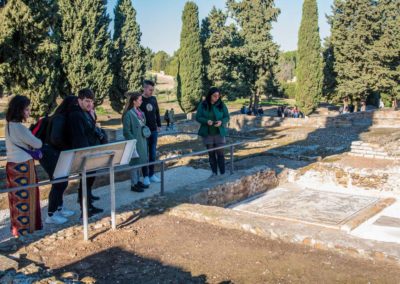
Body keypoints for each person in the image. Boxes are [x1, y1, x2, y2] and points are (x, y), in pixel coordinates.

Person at [5, 95, 43, 237]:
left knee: (15, 199)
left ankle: (16, 229)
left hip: (11, 165)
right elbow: (37, 144)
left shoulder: (8, 125)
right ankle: (26, 229)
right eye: (26, 109)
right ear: (19, 110)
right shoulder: (20, 128)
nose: (28, 112)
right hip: (23, 167)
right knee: (28, 197)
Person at [40, 96, 77, 224]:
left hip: (55, 154)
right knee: (58, 183)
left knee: (63, 182)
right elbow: (56, 138)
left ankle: (59, 208)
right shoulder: (59, 118)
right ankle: (51, 214)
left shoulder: (61, 117)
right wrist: (67, 148)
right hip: (51, 155)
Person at [67, 88, 103, 217]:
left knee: (88, 182)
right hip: (85, 155)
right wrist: (85, 155)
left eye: (91, 102)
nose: (90, 104)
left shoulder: (85, 113)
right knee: (85, 183)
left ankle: (88, 206)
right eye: (87, 101)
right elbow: (79, 138)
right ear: (79, 101)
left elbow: (91, 131)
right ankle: (85, 211)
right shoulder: (76, 115)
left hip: (90, 152)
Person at [196, 87, 230, 177]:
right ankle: (214, 173)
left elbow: (227, 117)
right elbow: (198, 117)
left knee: (221, 154)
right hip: (208, 134)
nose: (217, 98)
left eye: (218, 96)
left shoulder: (221, 104)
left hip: (219, 133)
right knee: (211, 155)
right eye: (215, 96)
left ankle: (223, 173)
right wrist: (206, 121)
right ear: (210, 95)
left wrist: (221, 122)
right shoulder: (203, 104)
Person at [122, 92, 150, 192]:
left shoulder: (139, 111)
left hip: (142, 141)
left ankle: (138, 181)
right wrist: (133, 141)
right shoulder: (128, 114)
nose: (141, 101)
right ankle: (133, 184)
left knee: (140, 162)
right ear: (134, 101)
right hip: (134, 143)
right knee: (134, 163)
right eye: (140, 100)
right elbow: (126, 131)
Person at [139, 80, 161, 185]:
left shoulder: (153, 99)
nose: (152, 91)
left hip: (154, 131)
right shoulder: (139, 99)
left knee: (152, 154)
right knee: (144, 155)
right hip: (144, 132)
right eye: (150, 89)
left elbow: (157, 112)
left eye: (153, 89)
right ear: (144, 88)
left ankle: (152, 174)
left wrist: (159, 125)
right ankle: (145, 176)